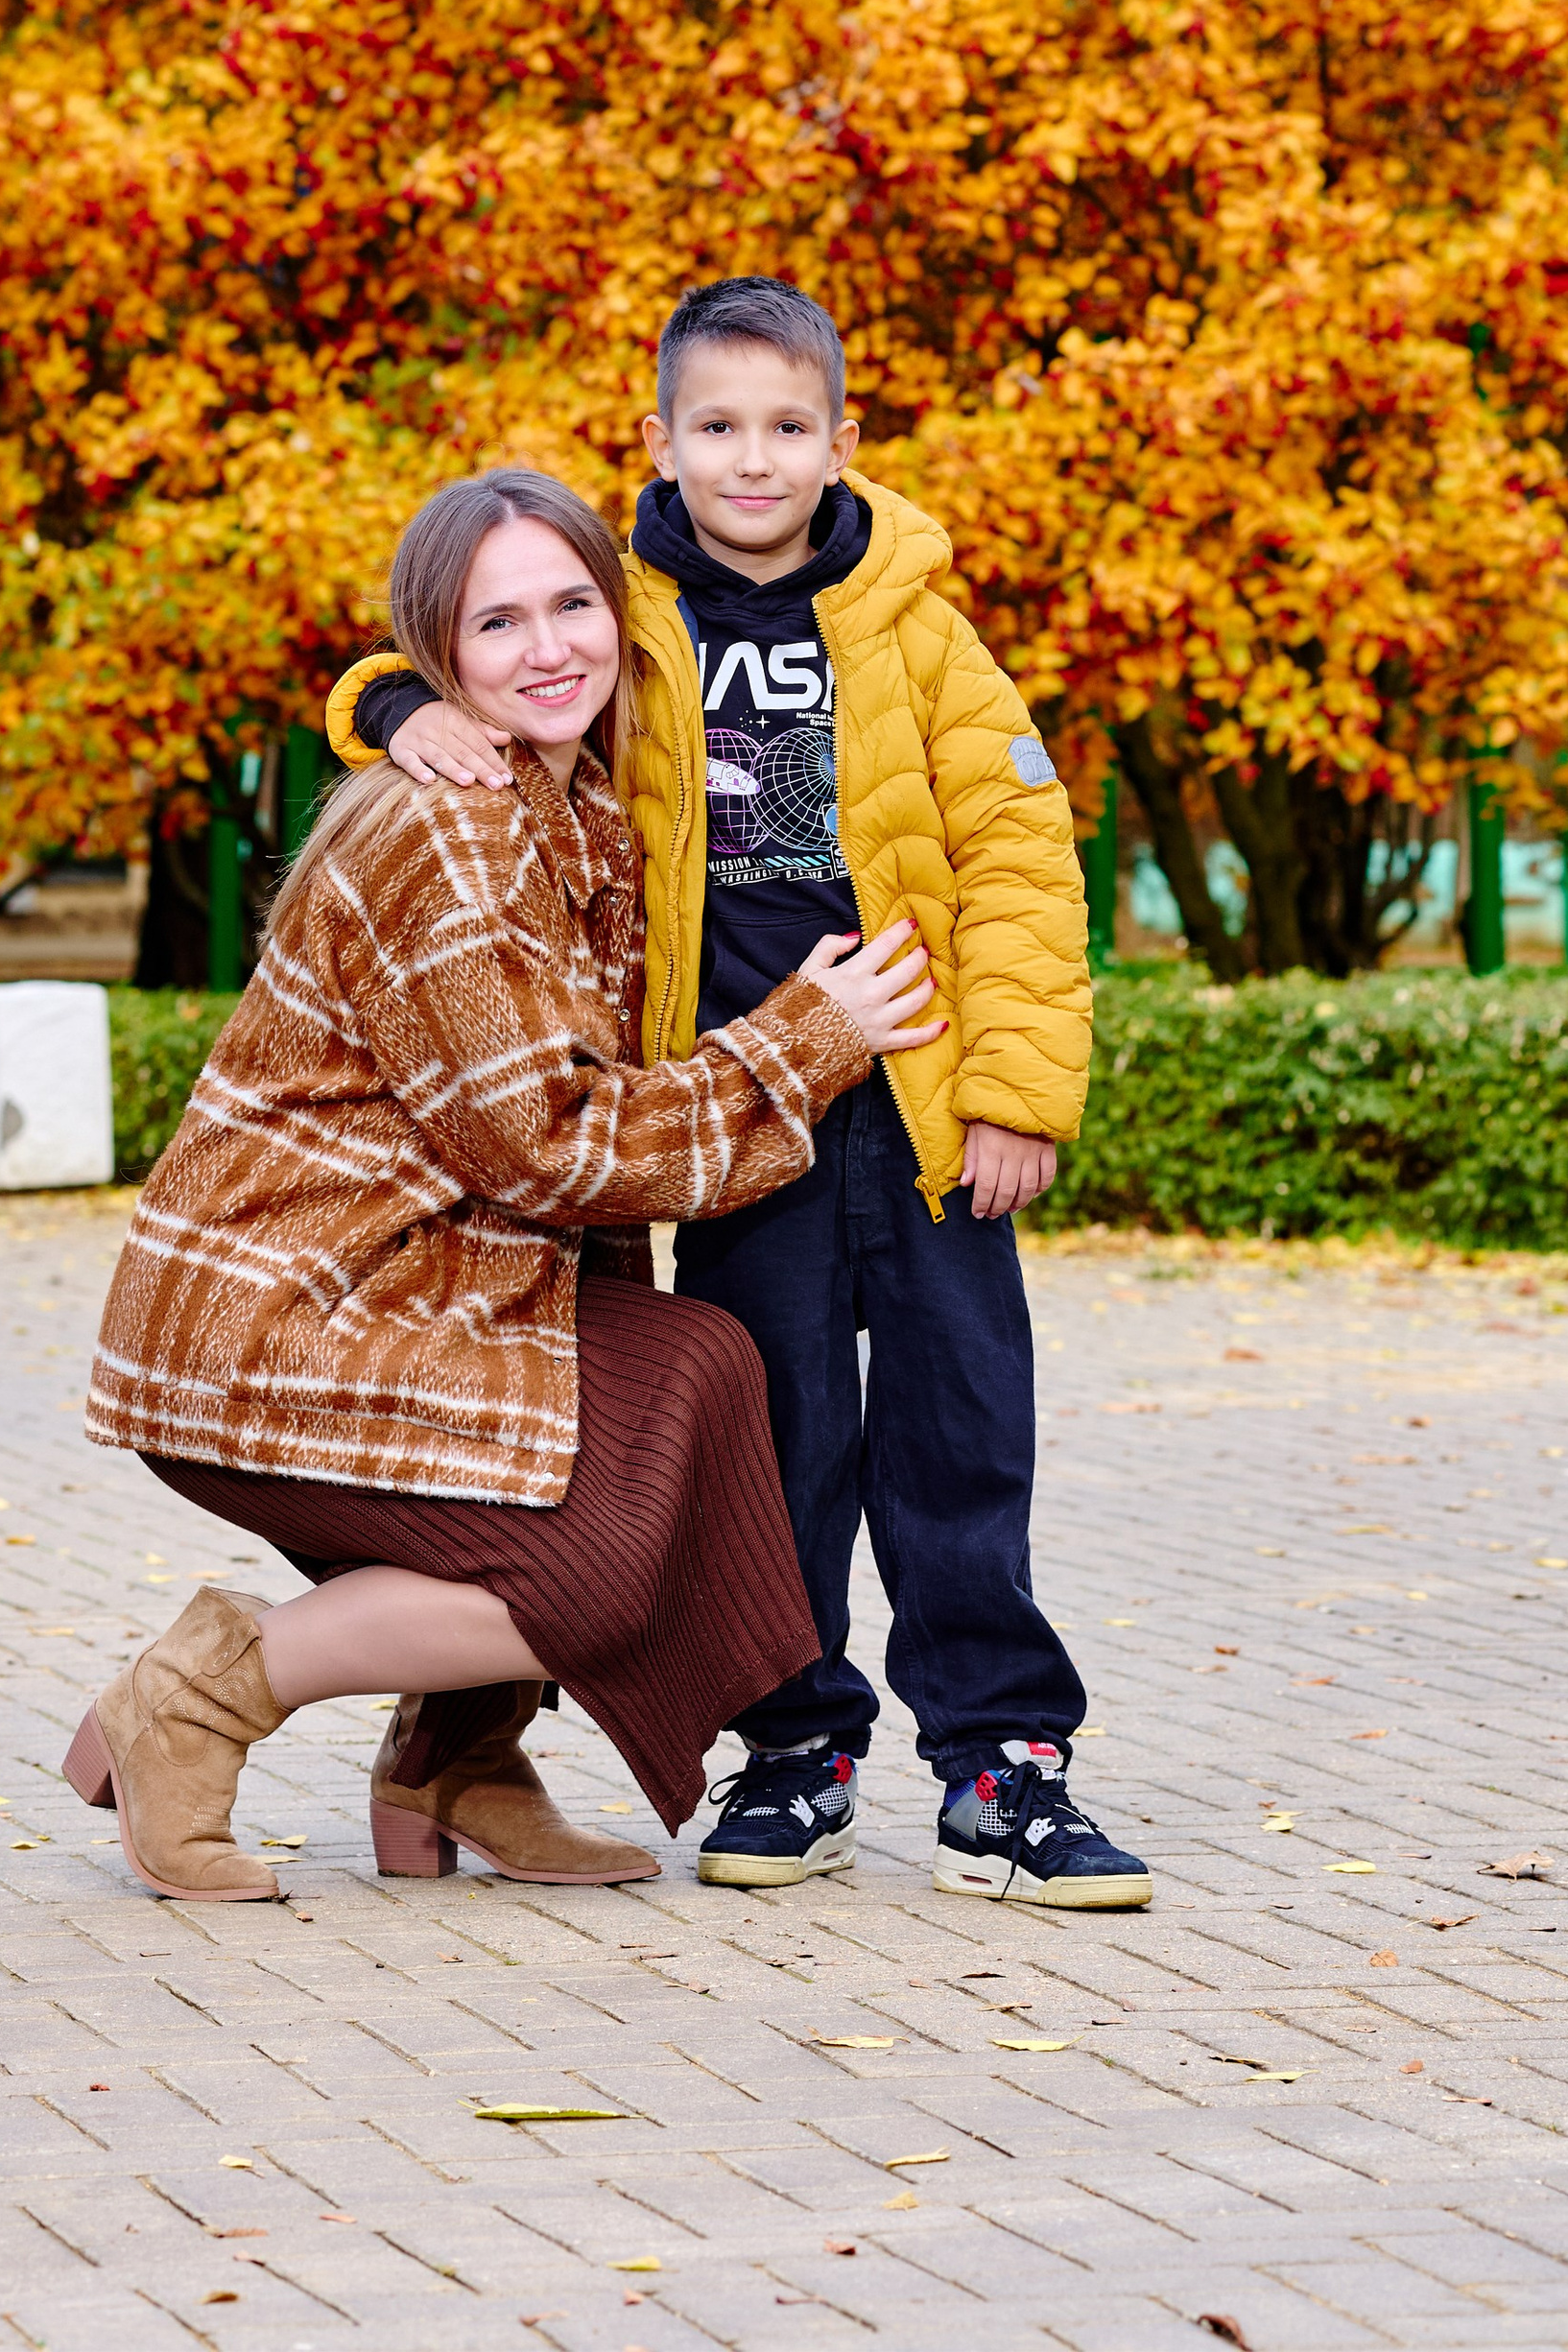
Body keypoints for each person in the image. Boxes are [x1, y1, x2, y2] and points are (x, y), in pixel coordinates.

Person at [329, 280, 1151, 1911]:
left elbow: (1018, 859)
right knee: (779, 1445)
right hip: (736, 1124)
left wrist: (1015, 1093)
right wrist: (403, 709)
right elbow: (431, 664)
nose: (753, 460)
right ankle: (796, 1752)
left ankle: (1005, 1767)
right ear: (661, 442)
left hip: (913, 1119)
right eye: (718, 428)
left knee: (960, 1435)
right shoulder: (619, 615)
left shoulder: (917, 627)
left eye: (788, 428)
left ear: (843, 441)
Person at [71, 463, 938, 1900]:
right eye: (496, 626)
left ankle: (456, 1764)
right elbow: (541, 1143)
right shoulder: (447, 830)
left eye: (573, 603)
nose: (549, 649)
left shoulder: (579, 804)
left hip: (429, 1280)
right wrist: (806, 1041)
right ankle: (204, 1689)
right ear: (439, 656)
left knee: (700, 1371)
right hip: (285, 1314)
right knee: (606, 1574)